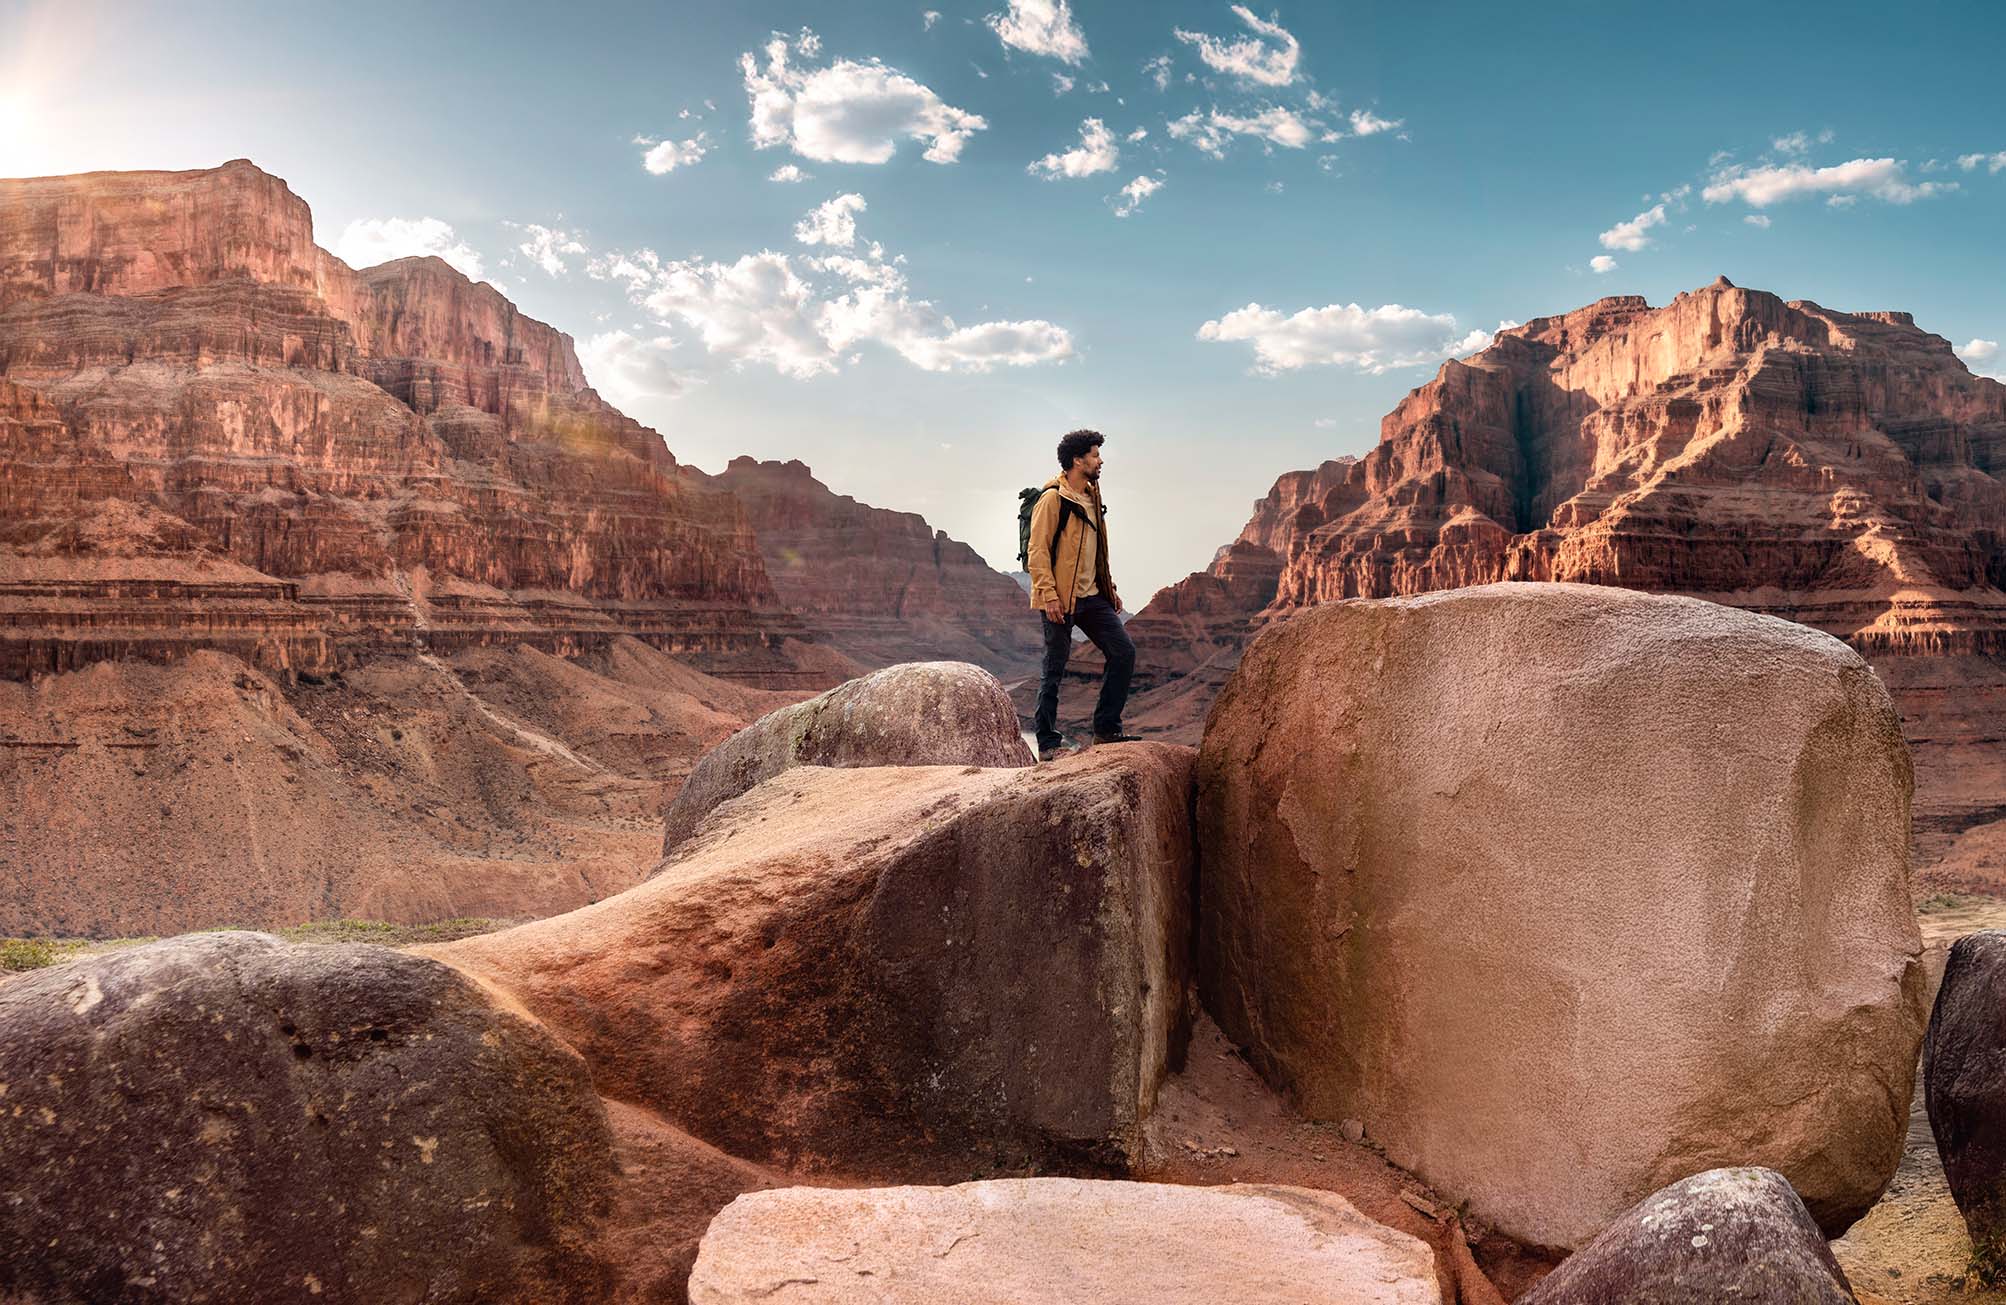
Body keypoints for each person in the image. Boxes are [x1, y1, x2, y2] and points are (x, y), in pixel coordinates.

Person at [1026, 429, 1140, 762]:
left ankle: (1107, 729)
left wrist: (1110, 587)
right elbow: (1038, 551)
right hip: (1059, 599)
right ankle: (1047, 742)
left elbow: (1095, 551)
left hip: (1092, 597)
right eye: (1094, 455)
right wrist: (1048, 596)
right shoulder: (1053, 499)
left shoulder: (1092, 497)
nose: (1100, 460)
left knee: (1123, 652)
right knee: (1054, 669)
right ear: (1078, 460)